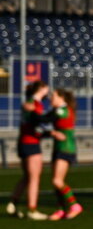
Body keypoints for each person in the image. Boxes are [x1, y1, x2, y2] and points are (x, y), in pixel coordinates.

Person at [6, 80, 50, 220]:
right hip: (31, 143)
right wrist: (50, 132)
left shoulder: (30, 101)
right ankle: (32, 210)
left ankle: (13, 203)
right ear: (42, 88)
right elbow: (36, 123)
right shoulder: (35, 103)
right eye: (46, 88)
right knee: (34, 178)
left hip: (24, 142)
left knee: (27, 177)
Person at [47, 88, 83, 221]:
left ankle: (74, 205)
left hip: (66, 149)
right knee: (55, 182)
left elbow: (46, 119)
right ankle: (60, 210)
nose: (50, 98)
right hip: (58, 148)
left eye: (53, 96)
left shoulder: (63, 110)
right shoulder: (58, 110)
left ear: (61, 98)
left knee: (57, 181)